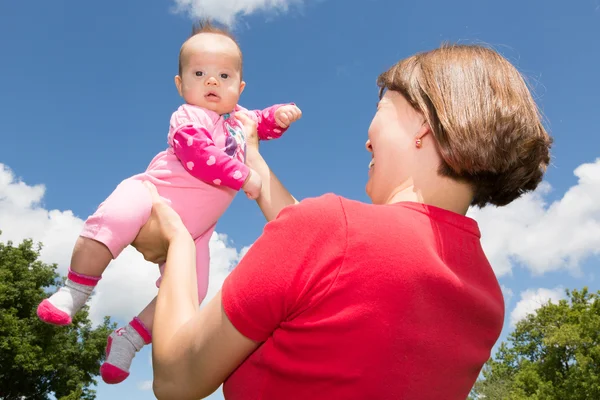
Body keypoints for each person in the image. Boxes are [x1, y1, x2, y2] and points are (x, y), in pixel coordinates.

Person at [131, 43, 552, 400]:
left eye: (382, 109)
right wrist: (253, 157)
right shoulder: (486, 299)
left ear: (425, 122)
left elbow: (176, 378)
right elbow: (339, 264)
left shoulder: (331, 231)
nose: (367, 138)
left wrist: (180, 241)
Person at [35, 20, 302, 384]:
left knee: (193, 290)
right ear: (181, 85)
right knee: (114, 217)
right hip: (153, 195)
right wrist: (246, 177)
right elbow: (198, 155)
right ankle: (75, 290)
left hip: (196, 232)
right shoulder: (188, 117)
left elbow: (264, 122)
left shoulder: (241, 120)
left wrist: (282, 114)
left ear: (239, 88)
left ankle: (129, 339)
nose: (212, 81)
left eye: (224, 75)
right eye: (200, 73)